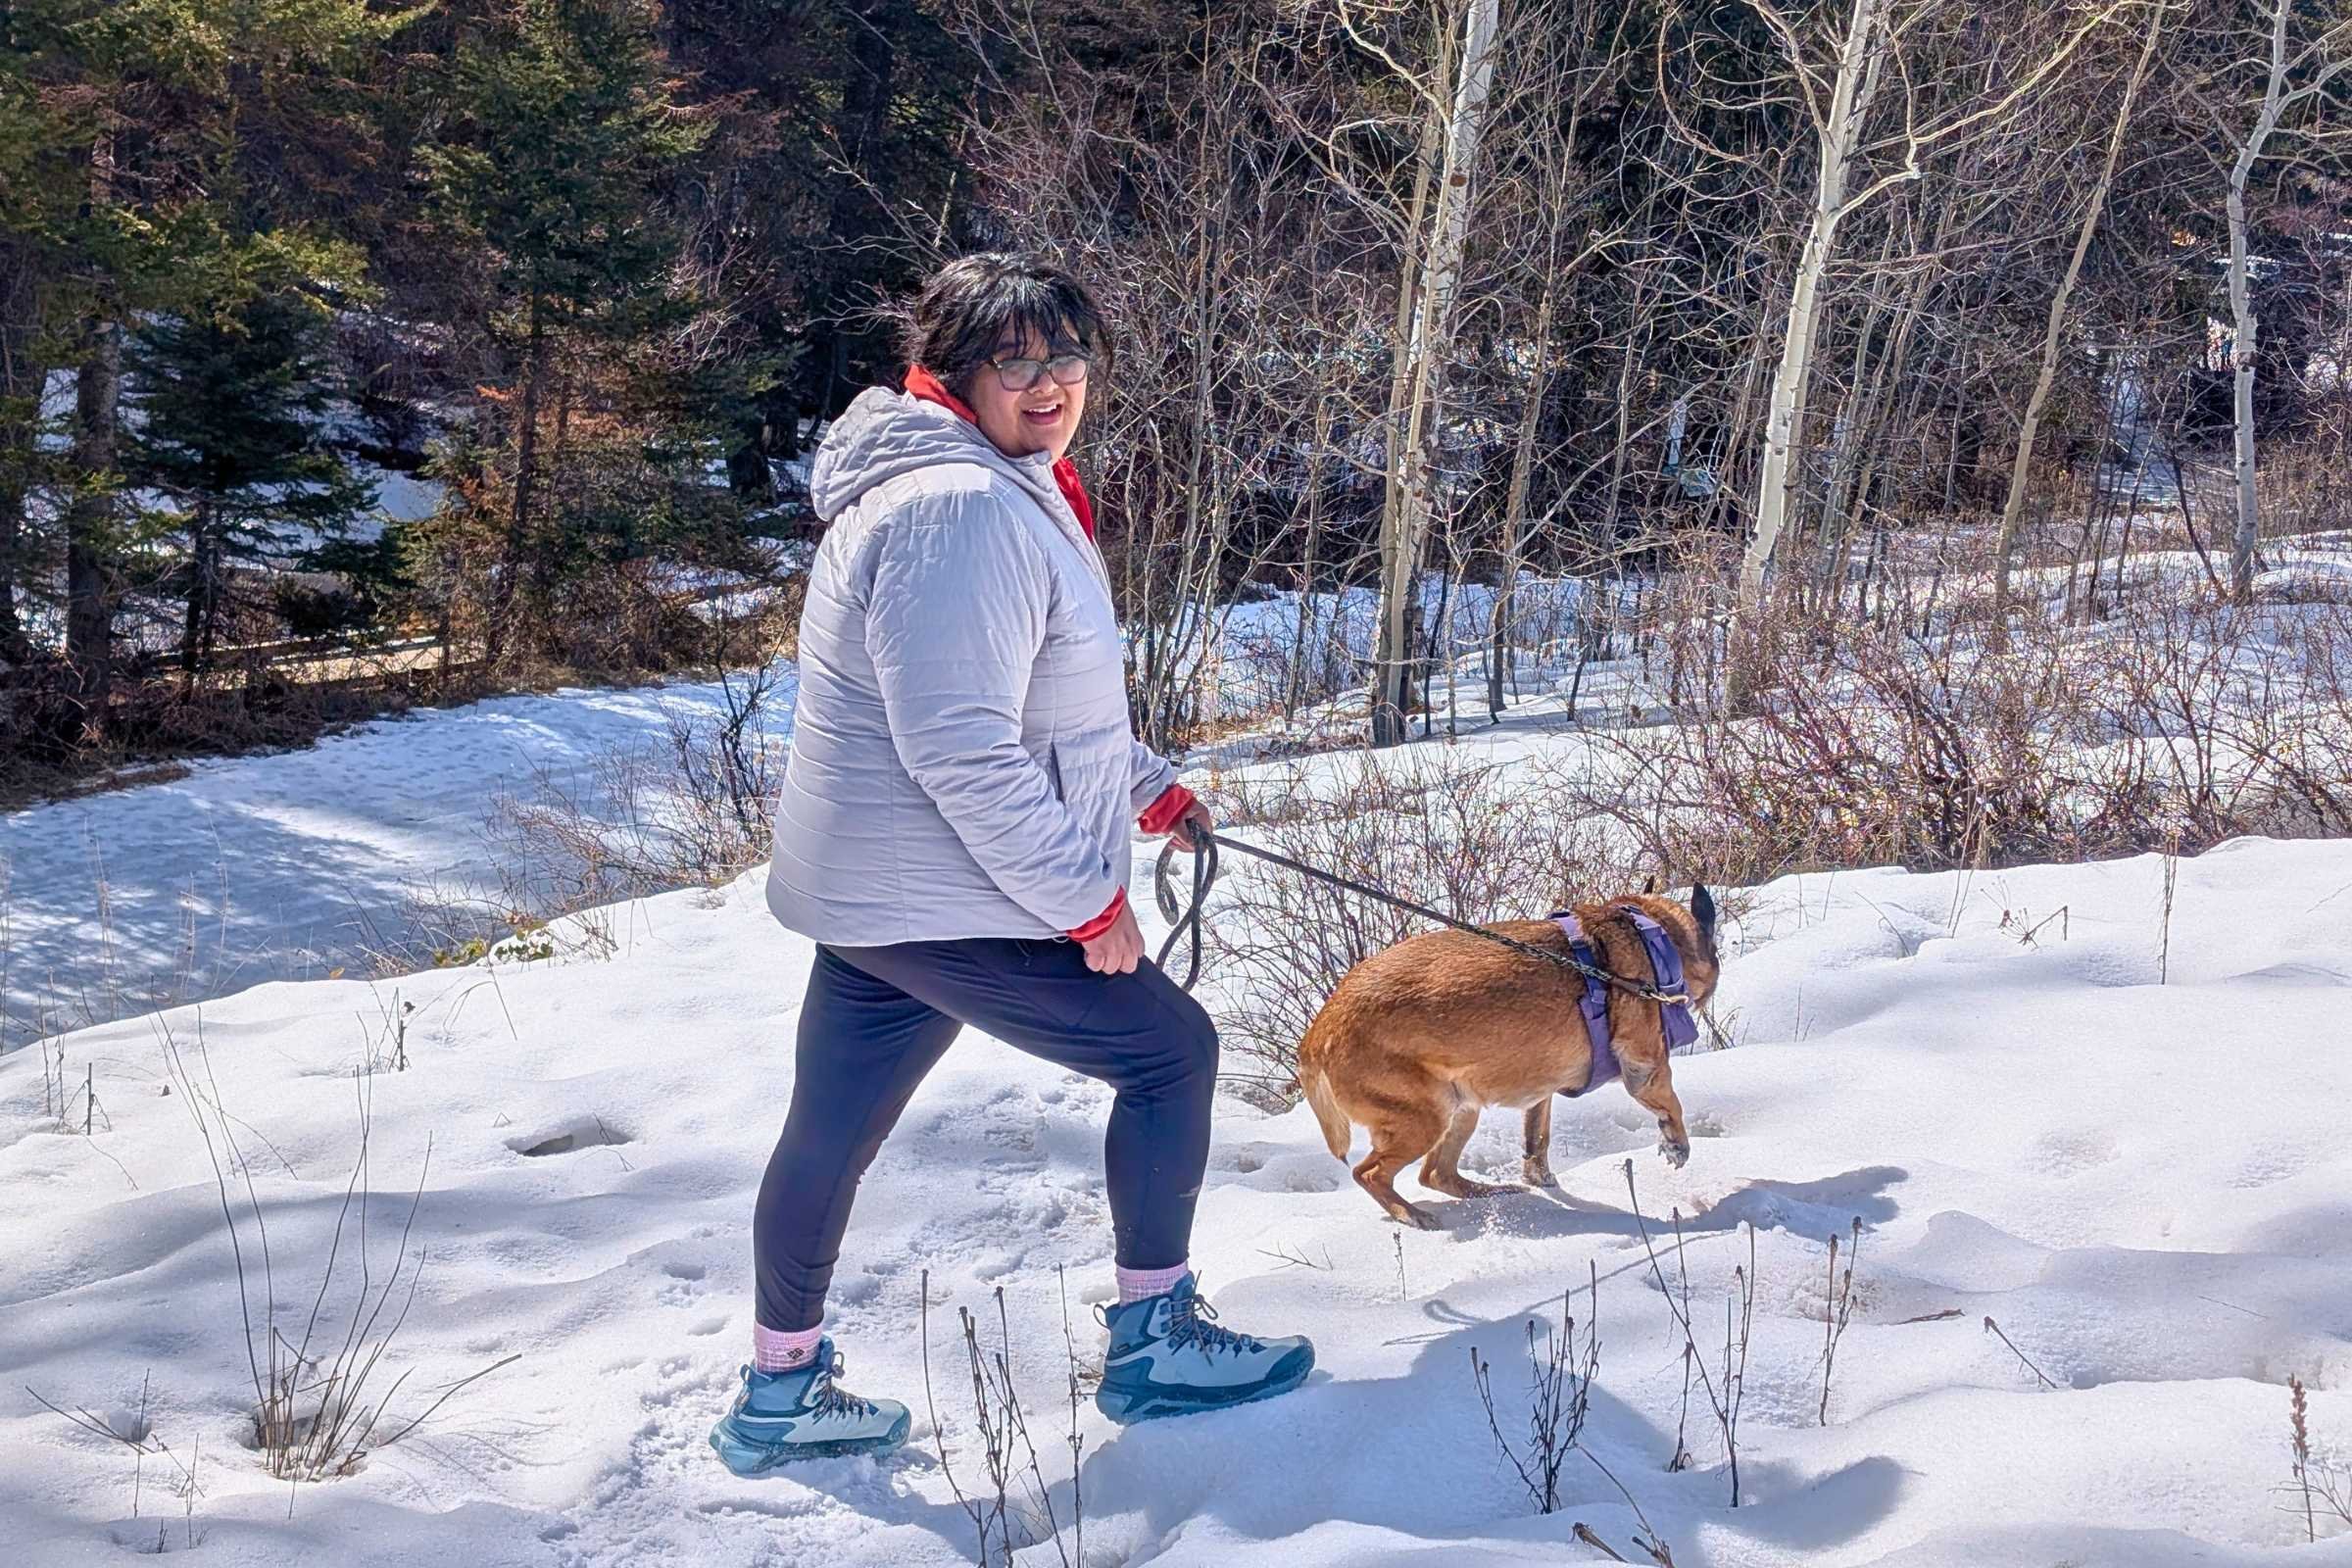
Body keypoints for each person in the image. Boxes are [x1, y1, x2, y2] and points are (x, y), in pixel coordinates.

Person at [709, 253, 1314, 1475]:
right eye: (1017, 362)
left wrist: (1148, 787)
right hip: (946, 893)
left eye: (1067, 357)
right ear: (950, 372)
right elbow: (963, 747)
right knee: (1169, 1052)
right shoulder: (959, 508)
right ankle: (1155, 1343)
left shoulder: (983, 481)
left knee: (831, 1128)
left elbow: (1046, 705)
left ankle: (779, 1391)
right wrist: (1085, 900)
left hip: (884, 893)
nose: (1050, 386)